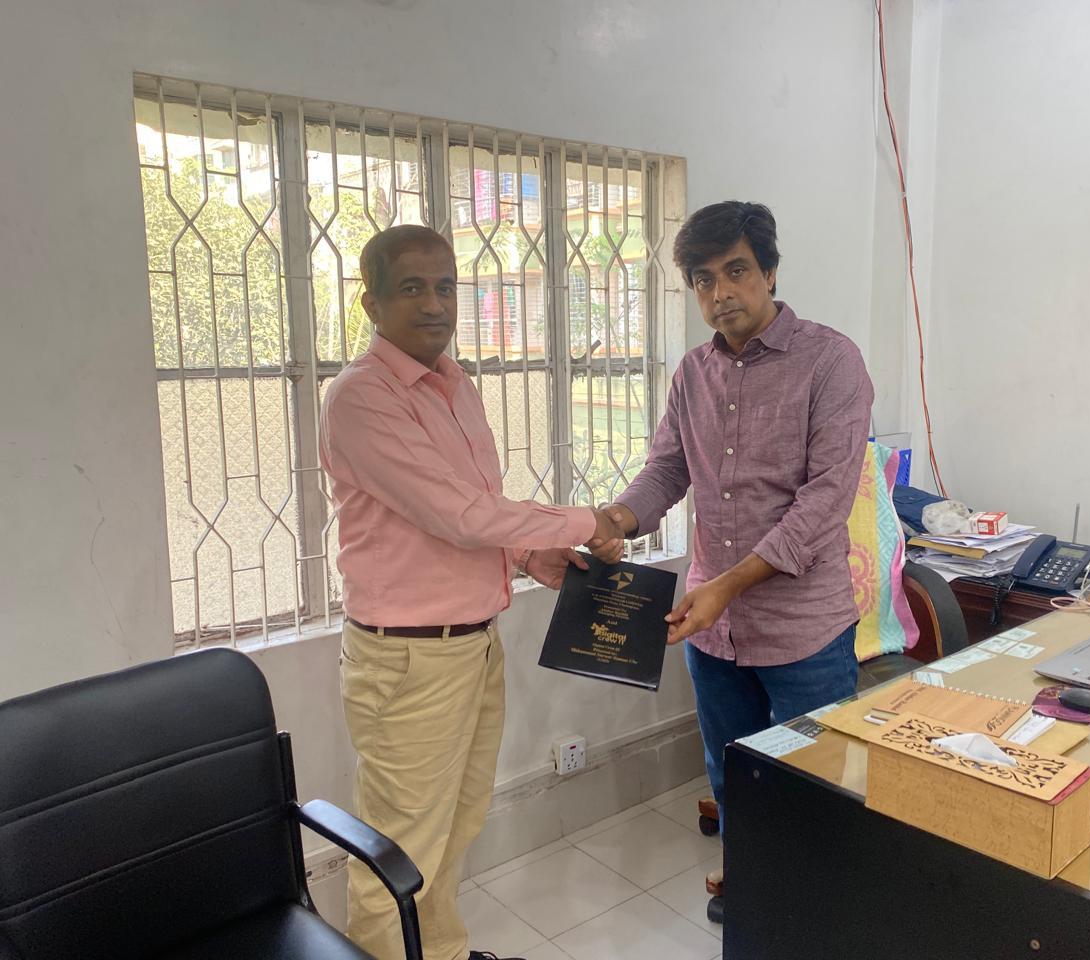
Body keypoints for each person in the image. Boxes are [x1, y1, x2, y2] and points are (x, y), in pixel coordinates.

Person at [320, 225, 625, 960]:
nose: (434, 304)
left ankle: (443, 955)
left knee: (455, 826)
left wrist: (530, 554)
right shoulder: (361, 397)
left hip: (473, 646)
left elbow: (473, 505)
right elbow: (456, 515)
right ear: (371, 303)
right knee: (399, 849)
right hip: (408, 661)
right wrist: (589, 521)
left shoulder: (455, 386)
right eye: (412, 287)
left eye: (446, 286)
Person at [590, 201, 874, 922]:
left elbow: (825, 502)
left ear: (770, 272)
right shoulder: (692, 374)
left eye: (737, 272)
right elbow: (667, 469)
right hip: (710, 630)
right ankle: (750, 879)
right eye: (703, 280)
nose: (721, 293)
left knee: (811, 778)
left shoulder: (831, 362)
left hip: (803, 629)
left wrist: (729, 584)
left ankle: (810, 914)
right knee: (731, 769)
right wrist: (617, 519)